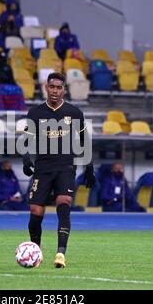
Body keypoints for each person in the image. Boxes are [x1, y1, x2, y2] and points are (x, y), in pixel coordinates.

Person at [22, 72, 95, 268]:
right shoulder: (35, 113)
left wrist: (89, 166)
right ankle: (35, 252)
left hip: (65, 167)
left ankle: (60, 254)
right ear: (46, 88)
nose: (55, 91)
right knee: (36, 211)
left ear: (64, 90)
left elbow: (84, 141)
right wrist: (26, 157)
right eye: (52, 87)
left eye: (59, 87)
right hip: (43, 167)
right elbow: (27, 139)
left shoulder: (74, 113)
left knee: (64, 203)